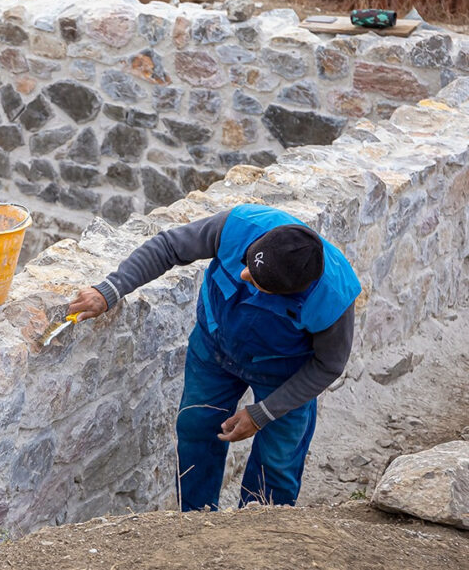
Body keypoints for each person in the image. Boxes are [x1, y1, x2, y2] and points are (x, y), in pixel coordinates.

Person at [68, 203, 361, 511]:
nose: (244, 272)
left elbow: (329, 364)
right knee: (196, 428)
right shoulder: (241, 225)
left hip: (284, 372)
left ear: (285, 292)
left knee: (277, 462)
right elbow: (169, 247)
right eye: (247, 261)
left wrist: (263, 413)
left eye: (255, 280)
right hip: (214, 348)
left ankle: (256, 538)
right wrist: (111, 289)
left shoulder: (332, 297)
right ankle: (197, 524)